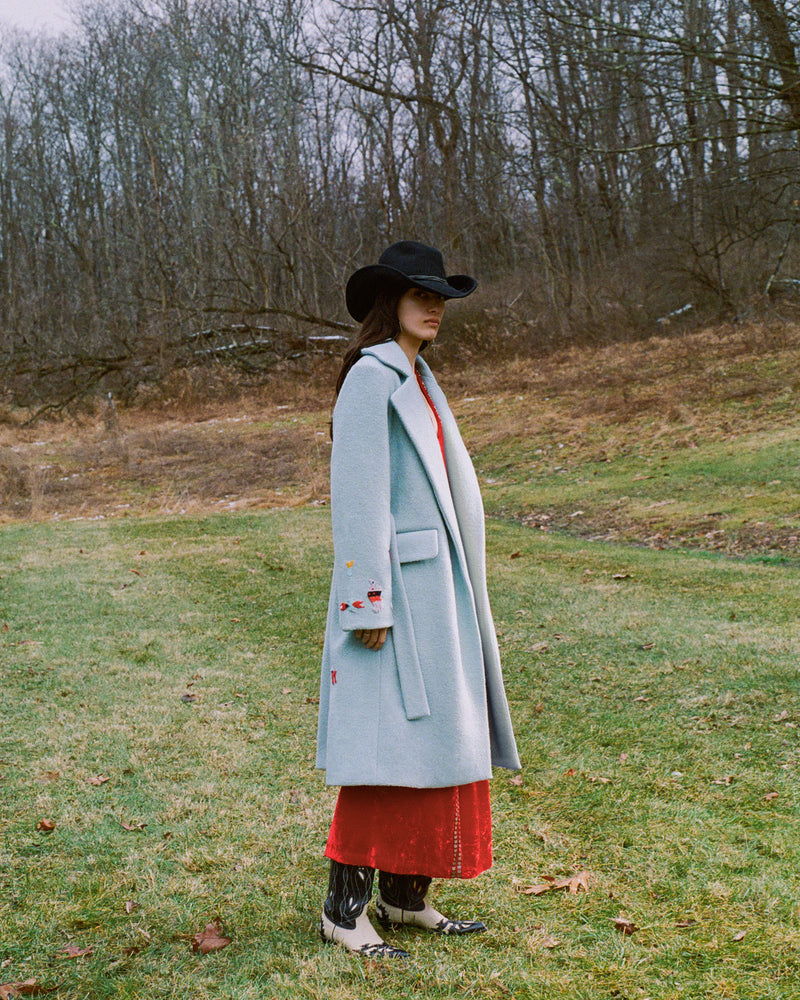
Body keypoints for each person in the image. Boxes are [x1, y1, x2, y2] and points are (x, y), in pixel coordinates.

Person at [315, 240, 520, 958]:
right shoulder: (372, 379)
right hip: (398, 600)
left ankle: (405, 900)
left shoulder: (419, 374)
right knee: (385, 755)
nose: (433, 305)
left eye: (440, 296)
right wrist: (368, 601)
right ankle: (344, 913)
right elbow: (359, 497)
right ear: (387, 302)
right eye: (419, 293)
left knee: (437, 750)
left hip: (439, 594)